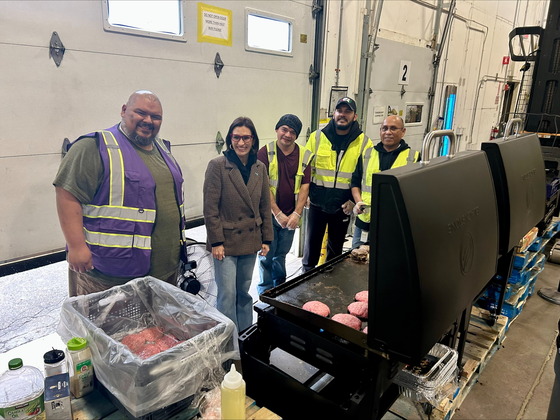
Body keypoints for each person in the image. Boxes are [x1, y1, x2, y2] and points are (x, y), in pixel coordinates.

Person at [53, 90, 185, 296]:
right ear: (124, 111)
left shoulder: (162, 148)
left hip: (165, 269)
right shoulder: (93, 146)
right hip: (111, 274)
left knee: (155, 329)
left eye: (156, 117)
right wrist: (76, 246)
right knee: (109, 327)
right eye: (141, 113)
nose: (148, 120)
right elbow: (67, 194)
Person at [203, 117, 273, 332]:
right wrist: (216, 241)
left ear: (253, 140)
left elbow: (264, 204)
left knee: (243, 291)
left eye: (246, 138)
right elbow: (210, 208)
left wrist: (267, 238)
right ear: (229, 140)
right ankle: (227, 340)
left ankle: (244, 334)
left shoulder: (259, 167)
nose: (241, 143)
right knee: (227, 294)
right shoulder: (218, 166)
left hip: (250, 239)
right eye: (236, 137)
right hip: (225, 242)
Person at [302, 97, 372, 272]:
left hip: (343, 205)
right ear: (333, 114)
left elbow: (364, 177)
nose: (342, 114)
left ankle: (330, 287)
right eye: (339, 110)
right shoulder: (317, 137)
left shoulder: (364, 142)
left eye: (347, 111)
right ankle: (305, 289)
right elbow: (305, 169)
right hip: (317, 203)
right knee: (311, 250)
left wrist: (354, 202)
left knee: (335, 253)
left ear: (354, 116)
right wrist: (306, 196)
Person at [256, 114, 313, 294]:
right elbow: (263, 185)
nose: (287, 135)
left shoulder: (304, 155)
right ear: (277, 130)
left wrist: (296, 214)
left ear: (296, 135)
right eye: (284, 129)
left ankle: (279, 289)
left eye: (293, 132)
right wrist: (277, 213)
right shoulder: (264, 152)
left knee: (281, 255)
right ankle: (265, 293)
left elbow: (305, 186)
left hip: (291, 217)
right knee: (266, 255)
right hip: (269, 215)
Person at [351, 115, 420, 248]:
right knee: (357, 259)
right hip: (366, 220)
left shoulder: (413, 158)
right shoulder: (367, 154)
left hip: (394, 223)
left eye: (393, 128)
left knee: (387, 261)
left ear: (403, 131)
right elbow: (355, 183)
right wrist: (358, 201)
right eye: (384, 128)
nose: (388, 132)